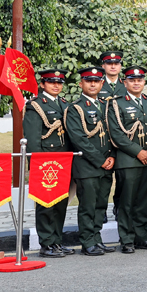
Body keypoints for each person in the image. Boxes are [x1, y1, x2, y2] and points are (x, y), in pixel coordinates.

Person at [106, 65, 147, 254]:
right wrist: (139, 152)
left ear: (144, 82)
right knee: (127, 201)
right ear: (125, 82)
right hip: (129, 160)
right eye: (132, 80)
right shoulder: (116, 104)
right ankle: (127, 239)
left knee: (144, 201)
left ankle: (142, 237)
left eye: (139, 80)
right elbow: (115, 133)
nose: (136, 83)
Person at [65, 66, 116, 255]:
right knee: (88, 206)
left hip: (106, 164)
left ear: (102, 83)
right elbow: (79, 139)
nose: (92, 84)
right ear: (81, 84)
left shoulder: (105, 105)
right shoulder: (75, 109)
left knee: (101, 205)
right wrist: (100, 160)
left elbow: (113, 134)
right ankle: (87, 242)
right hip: (87, 166)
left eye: (96, 81)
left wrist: (112, 156)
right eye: (88, 81)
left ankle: (97, 238)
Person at [25, 68, 74, 258]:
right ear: (42, 84)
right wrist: (36, 165)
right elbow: (32, 139)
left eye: (59, 82)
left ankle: (57, 241)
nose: (56, 85)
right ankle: (46, 244)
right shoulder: (35, 106)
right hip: (45, 163)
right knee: (46, 205)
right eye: (51, 82)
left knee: (60, 203)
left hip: (63, 161)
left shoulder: (64, 103)